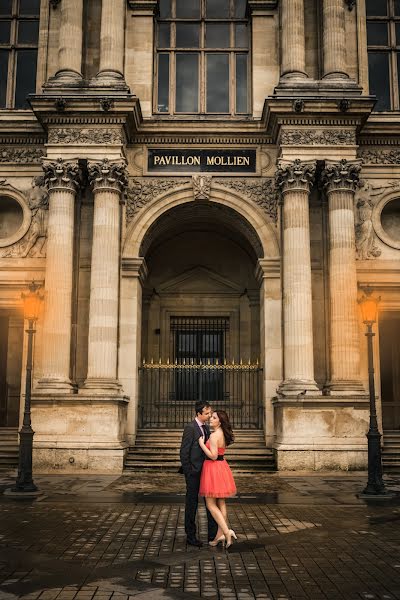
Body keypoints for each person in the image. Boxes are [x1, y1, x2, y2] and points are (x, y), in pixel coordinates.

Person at [179, 401, 218, 547]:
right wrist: (189, 471)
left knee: (210, 502)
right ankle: (190, 536)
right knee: (192, 504)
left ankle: (212, 535)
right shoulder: (190, 428)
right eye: (207, 413)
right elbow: (184, 452)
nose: (209, 416)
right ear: (198, 413)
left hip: (206, 471)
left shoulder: (206, 428)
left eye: (210, 413)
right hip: (193, 473)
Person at [198, 410, 237, 549]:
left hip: (213, 467)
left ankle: (226, 532)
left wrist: (202, 445)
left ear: (219, 421)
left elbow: (213, 456)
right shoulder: (223, 434)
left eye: (213, 417)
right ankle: (219, 535)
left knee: (210, 504)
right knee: (221, 502)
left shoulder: (214, 436)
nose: (210, 419)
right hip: (221, 467)